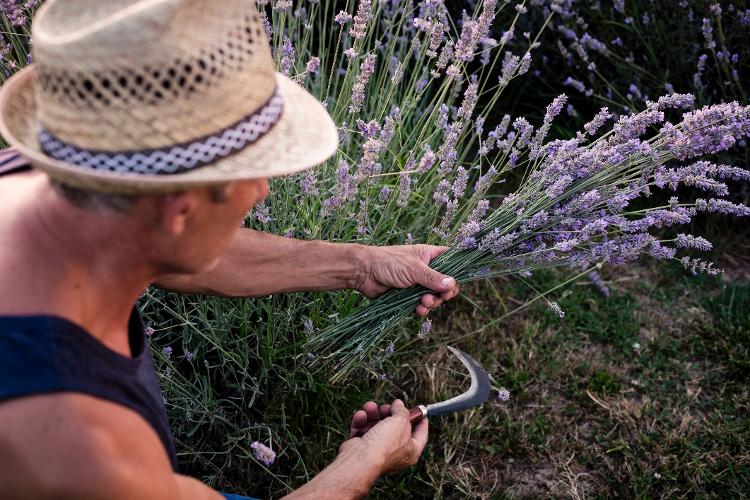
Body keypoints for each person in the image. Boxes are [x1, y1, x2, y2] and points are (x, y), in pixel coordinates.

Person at [0, 1, 459, 499]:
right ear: (179, 208)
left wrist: (360, 263)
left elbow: (179, 247)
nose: (263, 190)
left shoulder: (43, 182)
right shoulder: (72, 439)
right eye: (252, 169)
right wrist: (367, 462)